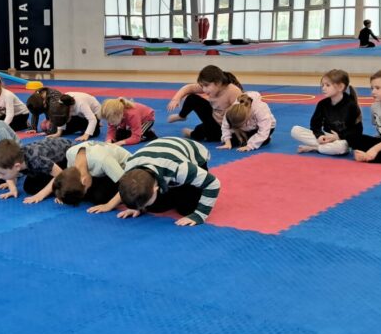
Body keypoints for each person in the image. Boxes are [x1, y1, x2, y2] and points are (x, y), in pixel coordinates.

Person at [88, 136, 220, 226]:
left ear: (156, 188)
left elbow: (213, 183)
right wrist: (137, 206)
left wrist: (199, 215)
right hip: (157, 161)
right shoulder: (129, 168)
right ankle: (165, 193)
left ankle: (178, 194)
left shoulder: (179, 169)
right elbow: (129, 187)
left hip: (194, 156)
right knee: (155, 207)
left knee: (187, 209)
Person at [290, 70, 363, 156]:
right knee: (295, 130)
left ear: (340, 87)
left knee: (341, 147)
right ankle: (325, 147)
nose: (323, 88)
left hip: (342, 139)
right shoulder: (322, 104)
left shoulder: (351, 105)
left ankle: (314, 148)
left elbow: (357, 131)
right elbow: (315, 124)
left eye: (327, 85)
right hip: (326, 137)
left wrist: (338, 136)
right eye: (322, 85)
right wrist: (320, 136)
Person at [166, 65, 243, 142]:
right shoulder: (211, 86)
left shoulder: (232, 91)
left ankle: (192, 133)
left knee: (205, 133)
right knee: (192, 98)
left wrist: (230, 134)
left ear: (218, 83)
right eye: (202, 86)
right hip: (214, 120)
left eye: (206, 86)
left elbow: (242, 114)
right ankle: (181, 116)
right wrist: (175, 99)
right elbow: (190, 88)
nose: (204, 90)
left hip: (227, 127)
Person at [0, 137, 73, 201]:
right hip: (48, 160)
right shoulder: (16, 160)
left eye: (2, 173)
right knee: (30, 187)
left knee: (66, 186)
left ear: (17, 166)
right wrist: (12, 189)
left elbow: (60, 175)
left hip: (68, 156)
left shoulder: (37, 160)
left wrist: (40, 195)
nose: (0, 177)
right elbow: (11, 170)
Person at [52, 142, 130, 207]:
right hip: (100, 169)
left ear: (84, 181)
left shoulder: (103, 161)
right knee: (85, 193)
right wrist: (63, 192)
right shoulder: (70, 153)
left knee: (100, 198)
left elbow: (127, 184)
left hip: (125, 171)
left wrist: (109, 205)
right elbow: (68, 178)